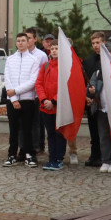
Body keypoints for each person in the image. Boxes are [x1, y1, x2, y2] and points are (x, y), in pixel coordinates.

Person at [3, 32, 41, 167]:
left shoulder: (33, 60)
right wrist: (13, 98)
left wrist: (17, 91)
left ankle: (29, 155)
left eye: (23, 40)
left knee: (27, 129)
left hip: (27, 99)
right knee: (13, 129)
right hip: (12, 100)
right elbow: (7, 79)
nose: (20, 43)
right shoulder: (10, 59)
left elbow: (33, 81)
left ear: (28, 42)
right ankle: (11, 154)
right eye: (18, 40)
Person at [89, 47, 111, 173]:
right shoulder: (98, 73)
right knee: (103, 136)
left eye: (110, 56)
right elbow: (91, 87)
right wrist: (91, 91)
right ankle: (105, 159)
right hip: (102, 109)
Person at [34, 40, 66, 171]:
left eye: (57, 48)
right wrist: (44, 100)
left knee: (60, 133)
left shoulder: (65, 67)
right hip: (46, 107)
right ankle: (52, 158)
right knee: (51, 133)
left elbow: (66, 86)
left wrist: (54, 101)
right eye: (52, 48)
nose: (53, 50)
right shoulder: (46, 66)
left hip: (59, 106)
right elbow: (38, 83)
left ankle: (59, 159)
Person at [82, 32, 106, 168]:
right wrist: (88, 97)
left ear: (104, 42)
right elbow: (85, 81)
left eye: (98, 42)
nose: (95, 46)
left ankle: (104, 155)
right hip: (91, 101)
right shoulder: (88, 60)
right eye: (93, 43)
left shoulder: (109, 59)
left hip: (103, 101)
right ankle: (94, 155)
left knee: (103, 131)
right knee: (93, 130)